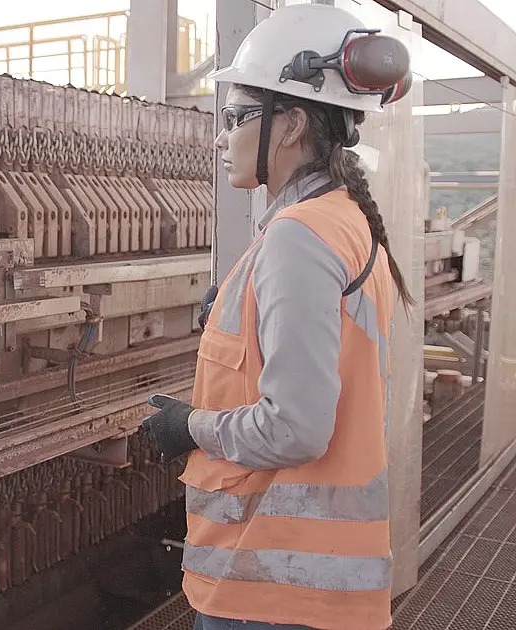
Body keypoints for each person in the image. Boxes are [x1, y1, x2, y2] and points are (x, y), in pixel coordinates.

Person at [139, 4, 416, 630]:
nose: (221, 136)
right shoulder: (342, 220)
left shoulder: (299, 236)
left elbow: (297, 428)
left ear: (289, 125)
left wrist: (192, 427)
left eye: (236, 117)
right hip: (309, 586)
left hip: (272, 587)